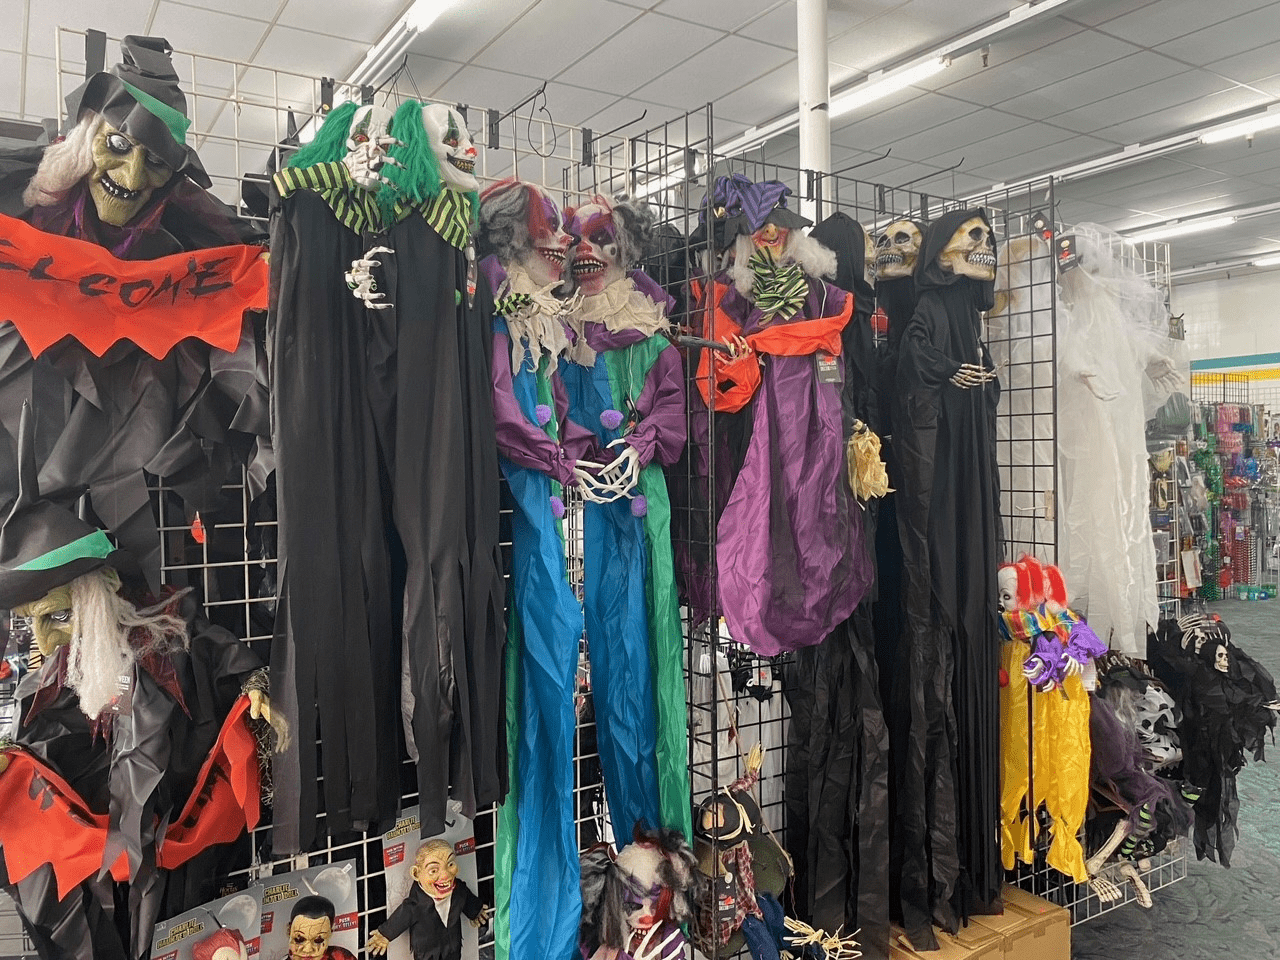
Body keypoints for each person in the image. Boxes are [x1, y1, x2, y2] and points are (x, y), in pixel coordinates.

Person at [0, 403, 281, 960]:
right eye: (30, 623)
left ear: (97, 596)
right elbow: (42, 751)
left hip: (174, 833)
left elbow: (213, 648)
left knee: (170, 918)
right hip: (96, 849)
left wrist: (253, 682)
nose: (45, 641)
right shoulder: (54, 677)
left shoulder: (166, 636)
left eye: (58, 616)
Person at [367, 839, 489, 960]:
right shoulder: (415, 906)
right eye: (433, 870)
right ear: (416, 874)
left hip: (453, 950)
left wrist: (475, 911)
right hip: (427, 955)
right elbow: (399, 920)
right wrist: (385, 934)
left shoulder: (459, 891)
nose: (446, 875)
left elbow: (466, 898)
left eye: (450, 864)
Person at [286, 896, 356, 960]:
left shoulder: (341, 957)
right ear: (289, 932)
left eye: (318, 940)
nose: (308, 950)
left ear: (330, 934)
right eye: (299, 939)